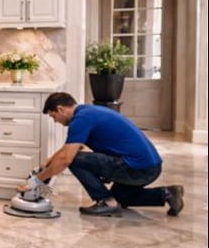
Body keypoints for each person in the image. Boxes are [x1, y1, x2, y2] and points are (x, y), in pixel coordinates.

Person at [22, 92, 184, 217]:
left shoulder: (81, 120)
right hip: (150, 167)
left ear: (60, 109)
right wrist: (48, 162)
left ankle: (106, 203)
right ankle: (167, 194)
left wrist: (36, 181)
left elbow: (66, 158)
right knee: (120, 199)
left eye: (53, 116)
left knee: (75, 161)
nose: (55, 121)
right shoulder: (88, 112)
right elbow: (70, 148)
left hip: (138, 168)